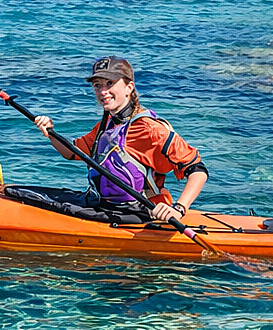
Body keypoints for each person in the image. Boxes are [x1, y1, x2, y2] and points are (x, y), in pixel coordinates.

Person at [33, 55, 207, 224]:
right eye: (97, 85)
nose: (102, 91)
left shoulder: (150, 129)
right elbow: (71, 153)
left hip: (141, 213)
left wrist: (179, 208)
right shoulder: (107, 125)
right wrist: (49, 132)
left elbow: (197, 170)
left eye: (110, 83)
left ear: (129, 87)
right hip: (104, 206)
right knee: (29, 195)